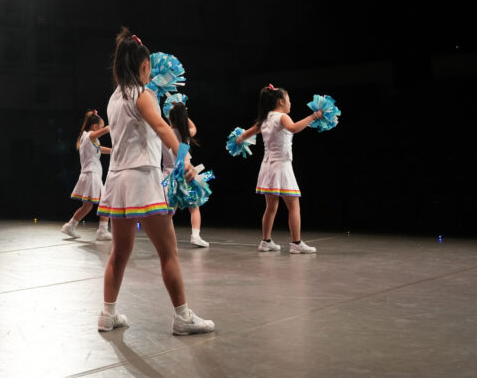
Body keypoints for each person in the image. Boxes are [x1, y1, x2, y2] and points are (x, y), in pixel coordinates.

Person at [97, 28, 214, 335]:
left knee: (119, 253)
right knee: (168, 252)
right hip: (143, 179)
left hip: (117, 182)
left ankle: (107, 314)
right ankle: (183, 317)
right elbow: (163, 129)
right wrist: (185, 159)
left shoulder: (114, 98)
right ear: (144, 66)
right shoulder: (142, 95)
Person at [235, 85, 322, 254]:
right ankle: (296, 243)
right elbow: (294, 128)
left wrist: (237, 140)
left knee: (271, 206)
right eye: (289, 100)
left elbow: (244, 135)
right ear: (281, 102)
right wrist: (313, 116)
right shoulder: (282, 117)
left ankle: (266, 241)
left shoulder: (265, 119)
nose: (290, 103)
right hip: (282, 166)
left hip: (267, 166)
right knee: (294, 205)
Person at [162, 102, 209, 248]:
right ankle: (195, 235)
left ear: (169, 118)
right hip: (186, 173)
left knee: (170, 209)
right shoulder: (186, 133)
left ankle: (165, 237)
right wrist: (183, 112)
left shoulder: (164, 133)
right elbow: (194, 127)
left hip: (169, 174)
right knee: (194, 207)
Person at [60, 109, 112, 241]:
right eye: (100, 126)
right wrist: (114, 125)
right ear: (95, 127)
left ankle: (70, 226)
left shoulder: (91, 139)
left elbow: (100, 149)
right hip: (91, 175)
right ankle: (102, 230)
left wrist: (113, 150)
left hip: (90, 174)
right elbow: (107, 129)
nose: (102, 129)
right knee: (105, 201)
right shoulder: (89, 136)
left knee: (87, 205)